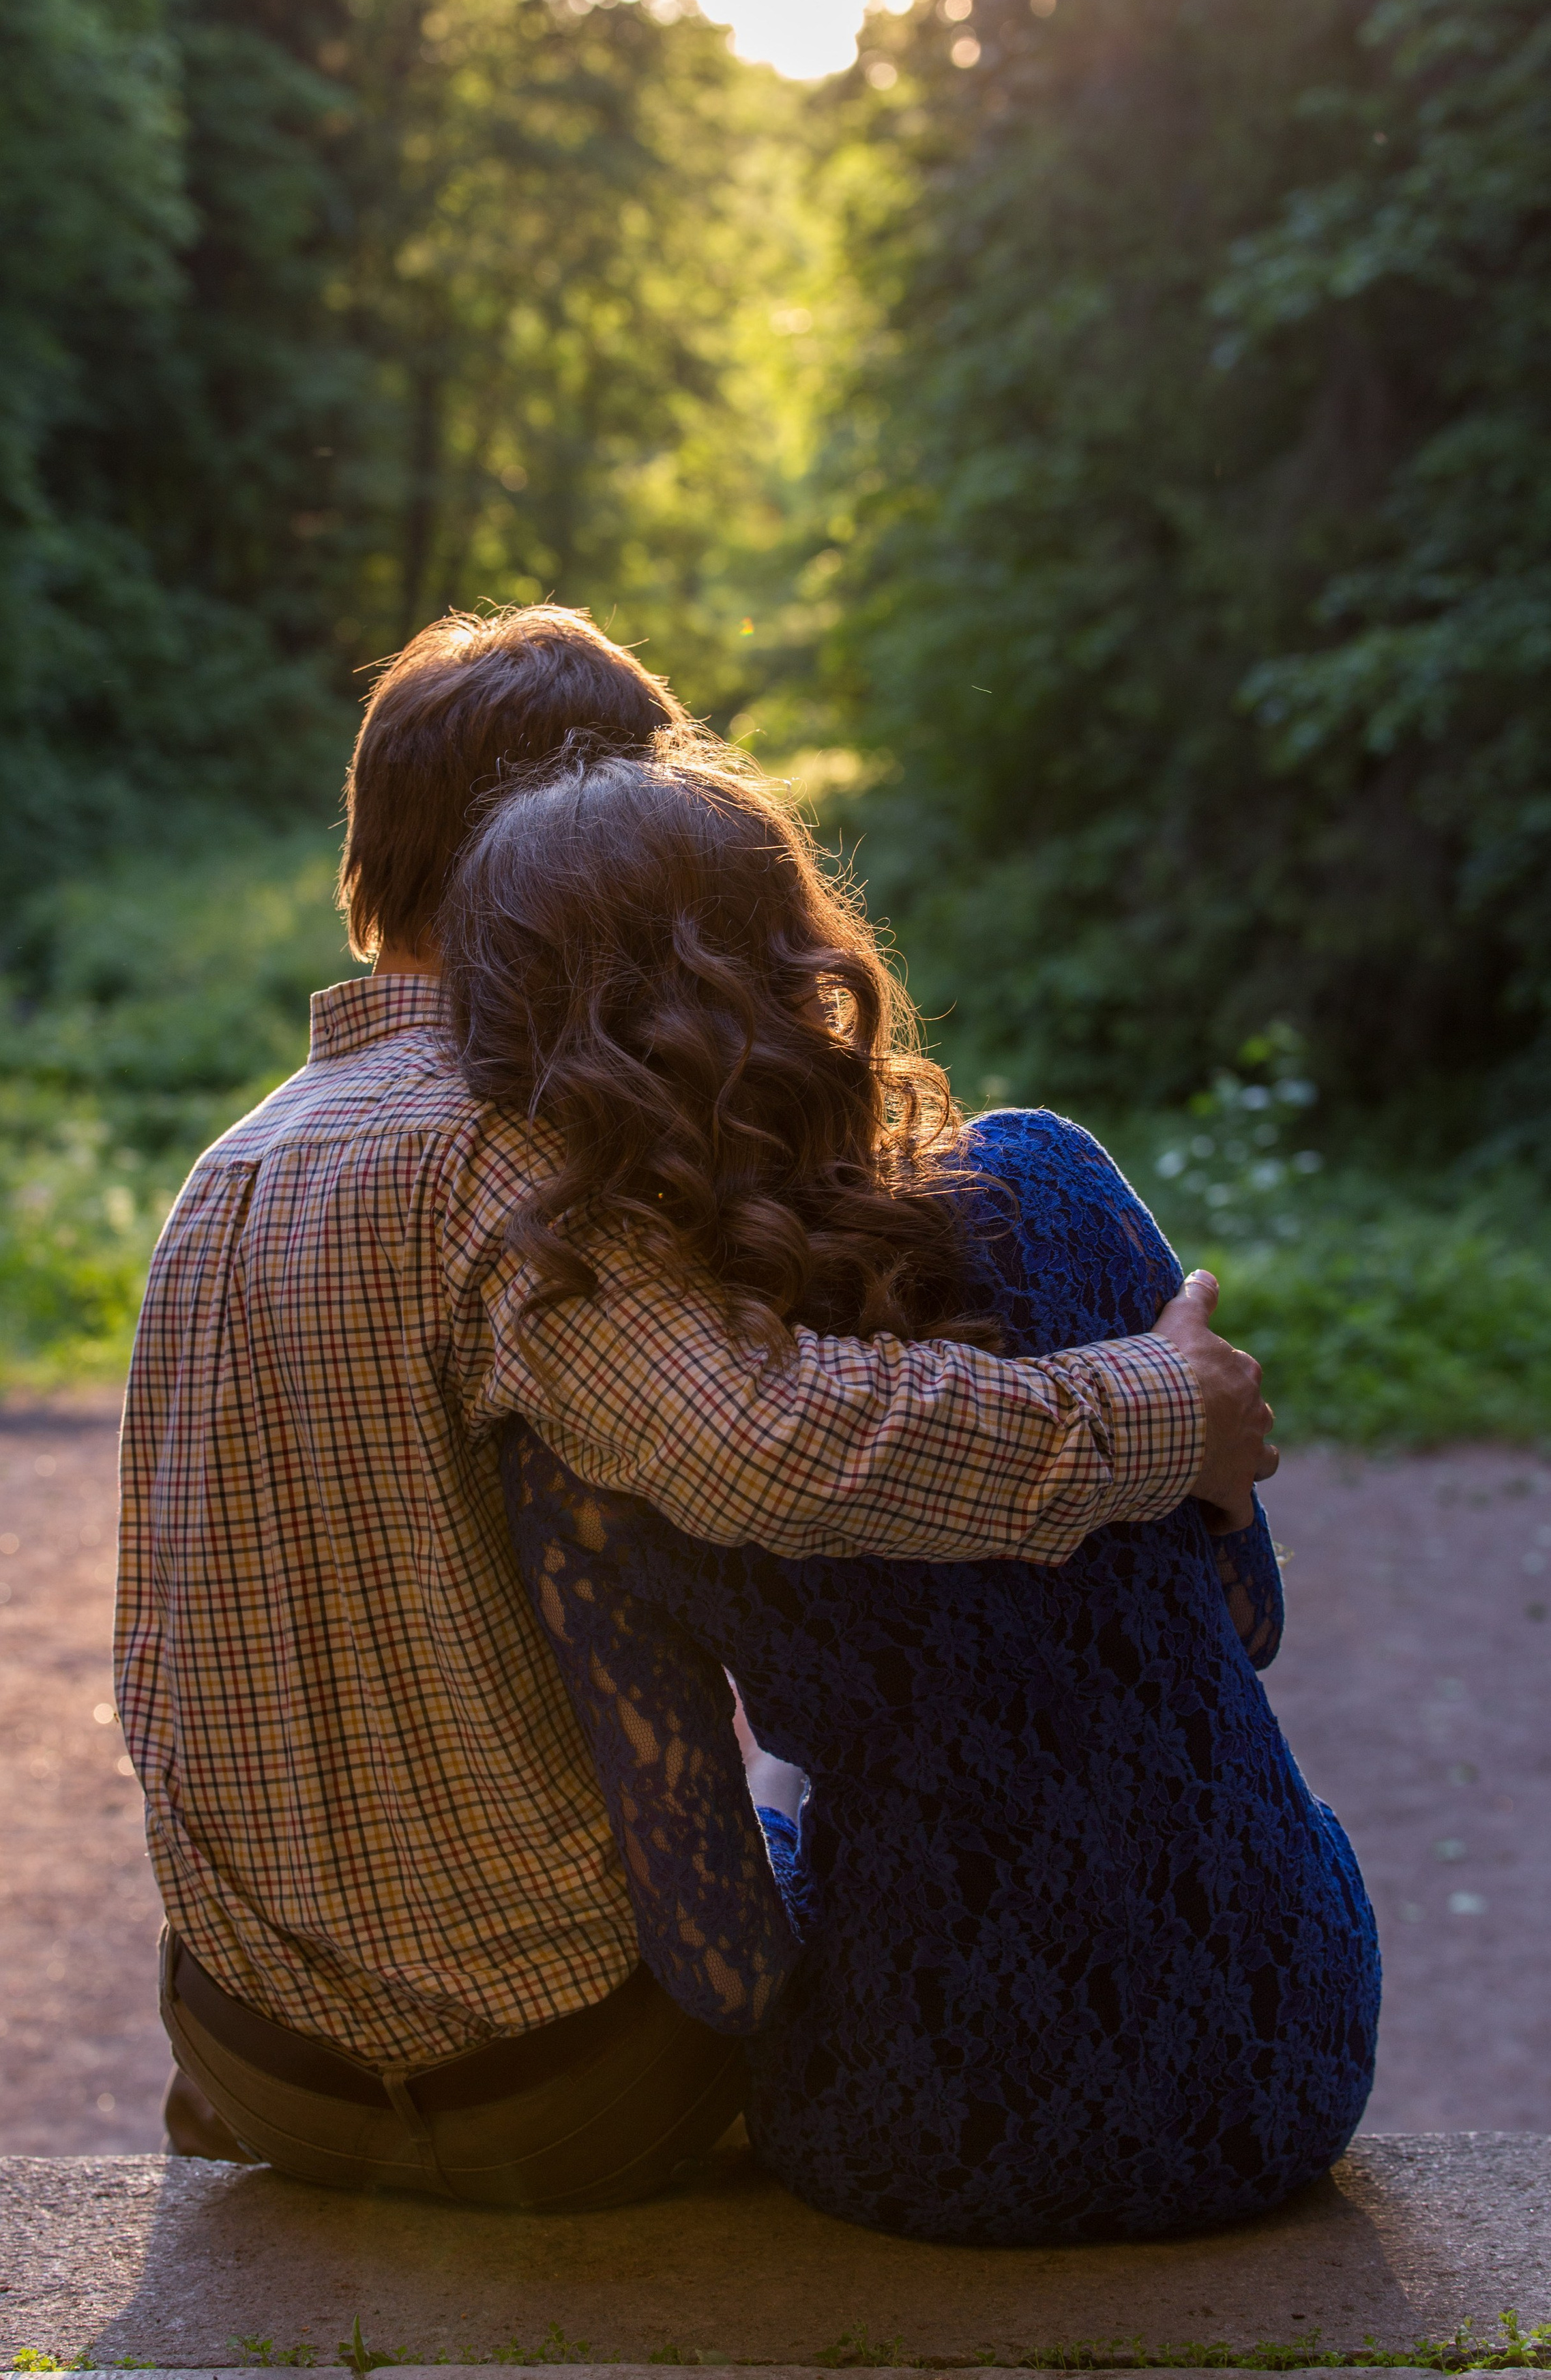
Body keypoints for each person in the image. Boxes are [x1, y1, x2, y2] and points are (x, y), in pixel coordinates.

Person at [118, 605, 1276, 2209]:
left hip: (256, 2058)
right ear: (577, 856)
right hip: (546, 2082)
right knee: (827, 1771)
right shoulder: (511, 1155)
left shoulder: (227, 1168)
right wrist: (1155, 1410)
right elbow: (773, 1441)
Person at [443, 744, 1380, 2241]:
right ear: (808, 958)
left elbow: (723, 1963)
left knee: (792, 1797)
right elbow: (1244, 1615)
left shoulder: (588, 1439)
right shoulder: (1051, 1182)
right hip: (1282, 2047)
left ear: (511, 1063)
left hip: (924, 2131)